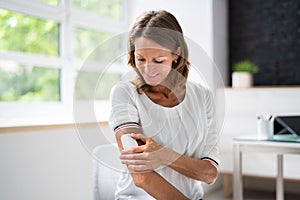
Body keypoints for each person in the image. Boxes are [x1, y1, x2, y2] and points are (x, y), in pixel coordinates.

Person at [109, 10, 219, 200]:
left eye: (158, 60)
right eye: (140, 59)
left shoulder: (203, 97)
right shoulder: (125, 93)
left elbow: (209, 173)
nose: (148, 69)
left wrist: (164, 155)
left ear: (176, 54)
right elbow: (141, 176)